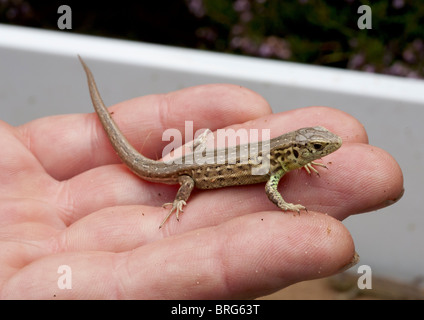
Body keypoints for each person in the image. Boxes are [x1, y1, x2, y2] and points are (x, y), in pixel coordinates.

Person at [0, 84, 403, 299]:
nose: (327, 147)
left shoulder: (283, 158)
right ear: (295, 148)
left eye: (319, 147)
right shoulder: (275, 166)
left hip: (195, 166)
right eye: (315, 147)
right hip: (188, 175)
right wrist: (288, 205)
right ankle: (176, 198)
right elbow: (272, 193)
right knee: (171, 177)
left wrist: (305, 162)